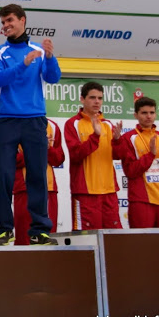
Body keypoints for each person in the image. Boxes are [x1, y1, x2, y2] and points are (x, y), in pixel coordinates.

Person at [0, 4, 61, 246]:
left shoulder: (38, 51)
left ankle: (40, 229)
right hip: (7, 120)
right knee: (3, 176)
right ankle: (4, 229)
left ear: (22, 20)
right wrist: (23, 64)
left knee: (38, 175)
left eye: (9, 20)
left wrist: (49, 58)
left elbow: (53, 77)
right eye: (3, 22)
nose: (6, 25)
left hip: (34, 120)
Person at [64, 82, 123, 231]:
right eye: (92, 97)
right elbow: (76, 155)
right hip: (85, 192)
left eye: (100, 98)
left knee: (112, 239)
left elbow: (117, 156)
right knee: (87, 239)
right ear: (82, 99)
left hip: (109, 191)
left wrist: (117, 141)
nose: (97, 101)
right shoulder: (73, 124)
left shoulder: (108, 125)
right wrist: (95, 136)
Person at [118, 97, 159, 228]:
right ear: (136, 115)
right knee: (143, 244)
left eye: (152, 113)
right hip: (142, 200)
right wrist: (151, 155)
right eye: (144, 113)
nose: (149, 116)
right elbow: (130, 171)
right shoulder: (128, 138)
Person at [13, 119, 65, 245]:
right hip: (24, 188)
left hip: (49, 188)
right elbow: (10, 159)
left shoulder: (52, 126)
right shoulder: (13, 124)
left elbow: (59, 159)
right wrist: (36, 150)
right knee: (24, 238)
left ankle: (49, 265)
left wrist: (47, 148)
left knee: (48, 237)